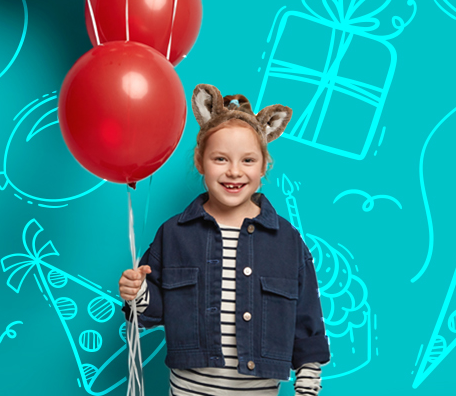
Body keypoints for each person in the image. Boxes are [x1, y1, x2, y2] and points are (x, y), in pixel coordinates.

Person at [117, 84, 329, 395]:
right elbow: (153, 312)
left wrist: (307, 387)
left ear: (263, 167)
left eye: (247, 160)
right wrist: (137, 292)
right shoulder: (174, 234)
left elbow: (307, 318)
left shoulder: (287, 241)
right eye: (220, 159)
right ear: (200, 161)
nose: (233, 172)